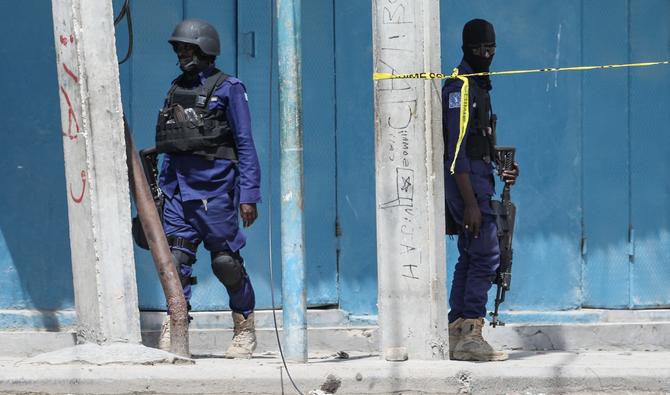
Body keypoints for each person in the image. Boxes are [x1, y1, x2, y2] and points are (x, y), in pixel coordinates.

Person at [155, 18, 261, 359]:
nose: (184, 55)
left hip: (215, 190)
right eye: (180, 49)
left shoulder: (230, 88)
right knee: (174, 260)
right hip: (177, 191)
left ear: (206, 50)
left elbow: (245, 144)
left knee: (226, 263)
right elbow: (170, 142)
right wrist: (160, 188)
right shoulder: (174, 88)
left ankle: (244, 326)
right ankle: (176, 326)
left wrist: (249, 195)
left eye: (190, 48)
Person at [442, 18, 519, 361]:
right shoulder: (461, 87)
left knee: (472, 254)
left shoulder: (479, 84)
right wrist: (471, 202)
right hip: (466, 183)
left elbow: (479, 140)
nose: (486, 54)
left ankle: (457, 331)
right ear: (466, 49)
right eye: (479, 49)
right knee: (487, 253)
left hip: (479, 178)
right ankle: (472, 331)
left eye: (490, 49)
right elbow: (456, 147)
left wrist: (504, 167)